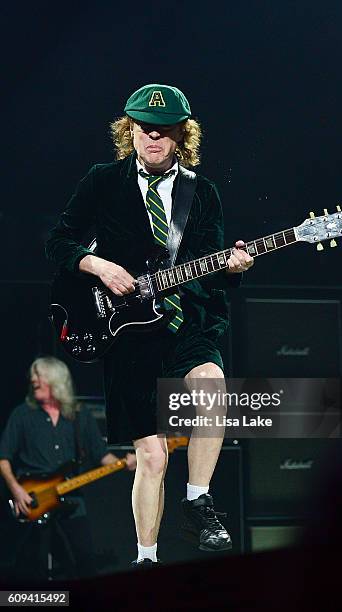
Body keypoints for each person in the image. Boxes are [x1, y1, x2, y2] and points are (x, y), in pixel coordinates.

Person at [45, 83, 254, 565]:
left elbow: (210, 262)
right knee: (153, 457)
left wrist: (234, 265)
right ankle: (146, 559)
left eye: (163, 131)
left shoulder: (203, 192)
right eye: (144, 129)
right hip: (125, 331)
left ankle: (198, 500)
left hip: (187, 321)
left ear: (182, 136)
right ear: (130, 130)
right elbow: (59, 242)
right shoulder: (103, 180)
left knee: (212, 386)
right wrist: (98, 266)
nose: (152, 138)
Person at [0, 356, 136, 579]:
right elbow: (3, 457)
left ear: (56, 380)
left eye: (39, 375)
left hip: (71, 499)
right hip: (32, 499)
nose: (33, 379)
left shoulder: (79, 415)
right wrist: (16, 490)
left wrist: (127, 463)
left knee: (84, 561)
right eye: (32, 376)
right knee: (31, 567)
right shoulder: (22, 414)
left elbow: (101, 455)